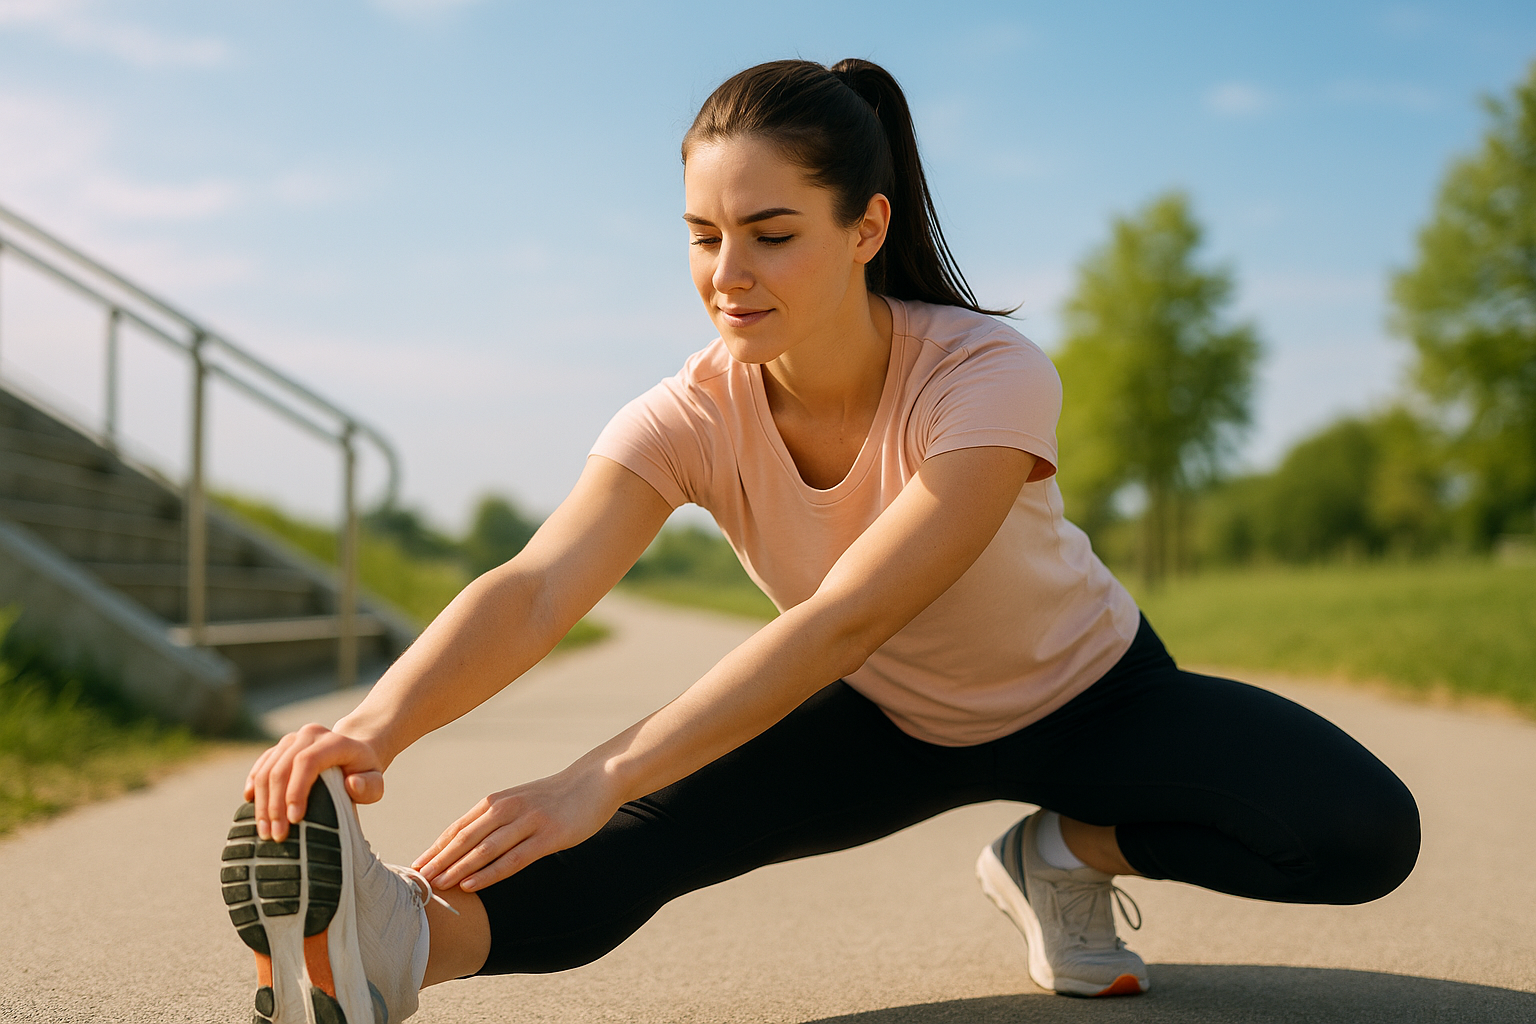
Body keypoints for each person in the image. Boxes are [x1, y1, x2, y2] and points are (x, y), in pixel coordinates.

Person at [219, 58, 1420, 1024]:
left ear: (864, 226)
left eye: (771, 232)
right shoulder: (690, 409)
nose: (727, 274)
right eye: (703, 234)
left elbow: (850, 608)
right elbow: (538, 586)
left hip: (1091, 695)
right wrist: (373, 724)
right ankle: (394, 940)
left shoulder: (984, 373)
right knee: (642, 837)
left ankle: (1058, 853)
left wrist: (598, 769)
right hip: (880, 715)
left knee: (1361, 833)